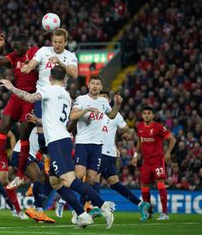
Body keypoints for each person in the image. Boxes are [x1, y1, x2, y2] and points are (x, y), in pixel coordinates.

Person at [0, 65, 115, 229]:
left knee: (69, 180)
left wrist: (12, 87)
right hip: (61, 138)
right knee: (55, 182)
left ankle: (103, 206)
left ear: (50, 78)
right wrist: (38, 121)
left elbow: (30, 98)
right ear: (64, 79)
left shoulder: (49, 90)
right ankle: (82, 215)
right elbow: (56, 120)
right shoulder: (66, 95)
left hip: (57, 142)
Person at [19, 28, 78, 187]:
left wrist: (60, 62)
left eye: (60, 42)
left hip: (58, 98)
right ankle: (47, 157)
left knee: (55, 132)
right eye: (55, 42)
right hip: (42, 95)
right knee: (41, 136)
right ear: (51, 41)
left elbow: (74, 74)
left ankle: (56, 160)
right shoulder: (44, 51)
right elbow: (33, 63)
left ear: (65, 42)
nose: (57, 45)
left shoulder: (70, 56)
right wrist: (28, 68)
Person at [0, 33, 38, 190]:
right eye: (13, 48)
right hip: (16, 96)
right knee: (3, 127)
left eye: (17, 47)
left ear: (25, 44)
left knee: (23, 136)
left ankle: (20, 175)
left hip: (30, 97)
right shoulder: (15, 56)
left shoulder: (35, 52)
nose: (15, 50)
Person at [95, 92, 151, 222]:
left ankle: (94, 207)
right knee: (114, 183)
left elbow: (129, 130)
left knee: (92, 178)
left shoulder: (114, 115)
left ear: (108, 101)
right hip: (103, 152)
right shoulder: (94, 114)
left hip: (105, 153)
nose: (102, 101)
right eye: (100, 98)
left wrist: (128, 134)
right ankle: (141, 204)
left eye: (104, 98)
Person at [69, 76, 122, 207]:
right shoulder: (81, 99)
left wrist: (117, 105)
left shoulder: (103, 101)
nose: (95, 86)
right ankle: (63, 199)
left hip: (97, 145)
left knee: (92, 179)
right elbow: (72, 116)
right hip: (82, 142)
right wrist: (86, 110)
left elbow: (111, 115)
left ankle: (82, 209)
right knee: (79, 175)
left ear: (101, 87)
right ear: (88, 85)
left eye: (98, 84)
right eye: (92, 83)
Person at [132, 106, 176, 220]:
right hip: (146, 161)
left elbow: (172, 139)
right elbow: (140, 141)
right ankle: (149, 212)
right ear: (142, 115)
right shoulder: (140, 127)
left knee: (160, 183)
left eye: (149, 113)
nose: (146, 115)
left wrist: (168, 153)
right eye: (144, 113)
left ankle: (165, 213)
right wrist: (136, 155)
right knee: (144, 185)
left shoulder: (158, 127)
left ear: (153, 115)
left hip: (157, 160)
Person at [9, 126, 55, 223]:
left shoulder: (50, 128)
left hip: (32, 156)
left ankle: (34, 207)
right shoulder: (42, 121)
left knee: (50, 180)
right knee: (38, 178)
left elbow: (40, 150)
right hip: (20, 153)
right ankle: (39, 211)